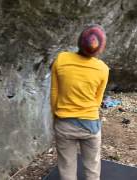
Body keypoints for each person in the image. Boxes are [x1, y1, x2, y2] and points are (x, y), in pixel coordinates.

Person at [50, 25, 109, 180]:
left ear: (79, 42)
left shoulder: (61, 59)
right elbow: (97, 99)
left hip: (64, 123)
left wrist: (56, 116)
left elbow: (55, 93)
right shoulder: (103, 69)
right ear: (100, 49)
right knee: (92, 167)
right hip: (90, 124)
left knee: (67, 167)